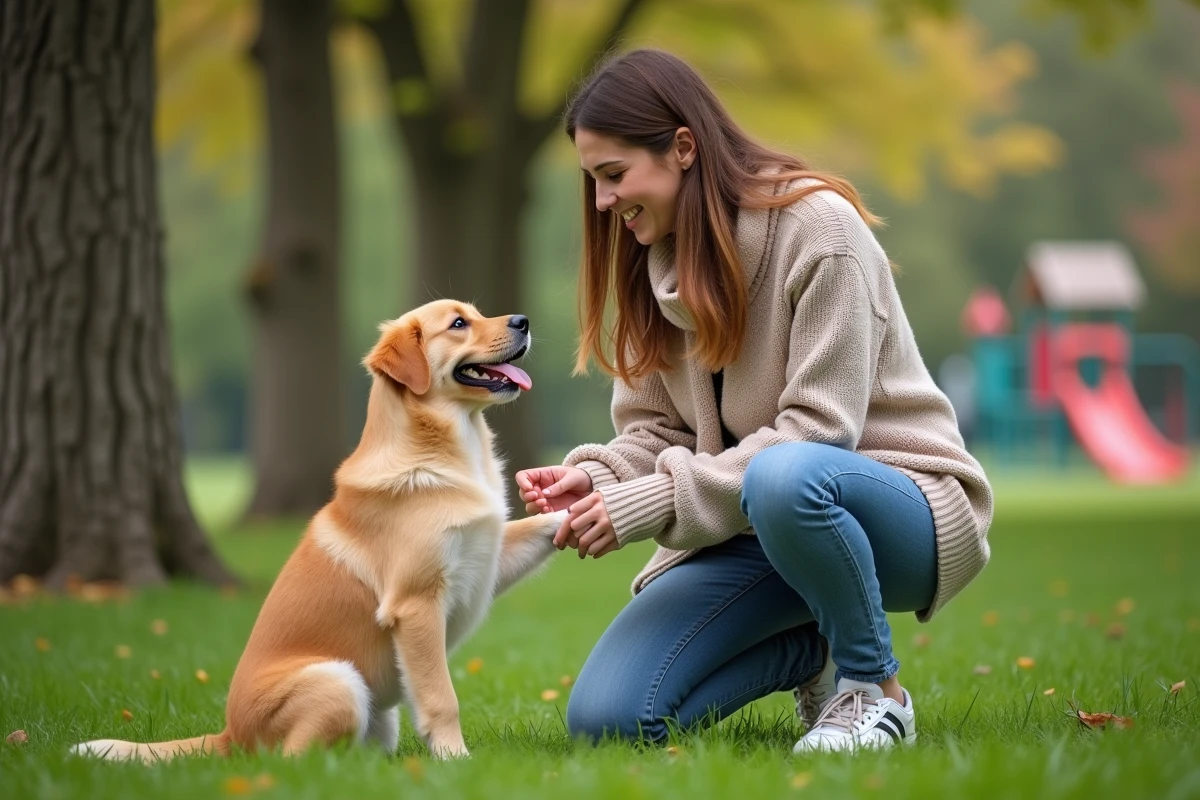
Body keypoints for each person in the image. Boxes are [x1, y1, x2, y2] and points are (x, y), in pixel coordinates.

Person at [515, 49, 993, 754]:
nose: (602, 202)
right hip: (756, 527)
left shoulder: (819, 232)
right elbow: (654, 431)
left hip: (896, 507)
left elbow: (819, 436)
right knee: (611, 722)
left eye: (614, 176)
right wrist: (603, 477)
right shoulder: (655, 262)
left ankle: (873, 691)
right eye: (593, 180)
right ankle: (813, 652)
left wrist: (648, 504)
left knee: (785, 475)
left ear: (682, 148)